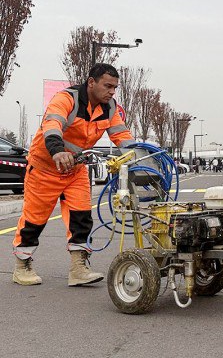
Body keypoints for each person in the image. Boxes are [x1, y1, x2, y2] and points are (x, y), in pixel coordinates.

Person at [12, 64, 136, 287]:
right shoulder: (65, 99)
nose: (111, 92)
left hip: (75, 170)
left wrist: (140, 154)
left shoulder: (109, 108)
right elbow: (52, 124)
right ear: (91, 83)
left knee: (82, 218)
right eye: (107, 86)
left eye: (115, 88)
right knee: (34, 220)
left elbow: (121, 134)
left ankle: (78, 268)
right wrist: (58, 150)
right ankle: (22, 265)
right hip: (45, 169)